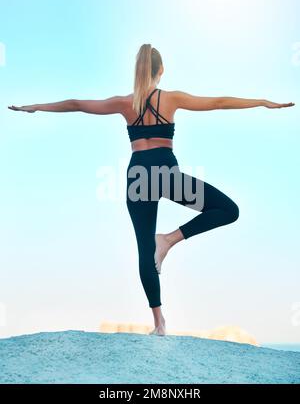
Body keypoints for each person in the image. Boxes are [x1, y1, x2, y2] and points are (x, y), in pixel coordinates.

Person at [8, 43, 295, 336]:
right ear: (161, 70)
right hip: (164, 173)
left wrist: (37, 107)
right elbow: (219, 102)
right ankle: (169, 240)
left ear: (138, 71)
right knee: (228, 210)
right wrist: (261, 101)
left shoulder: (125, 103)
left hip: (137, 176)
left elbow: (77, 104)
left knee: (145, 249)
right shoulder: (171, 99)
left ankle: (159, 323)